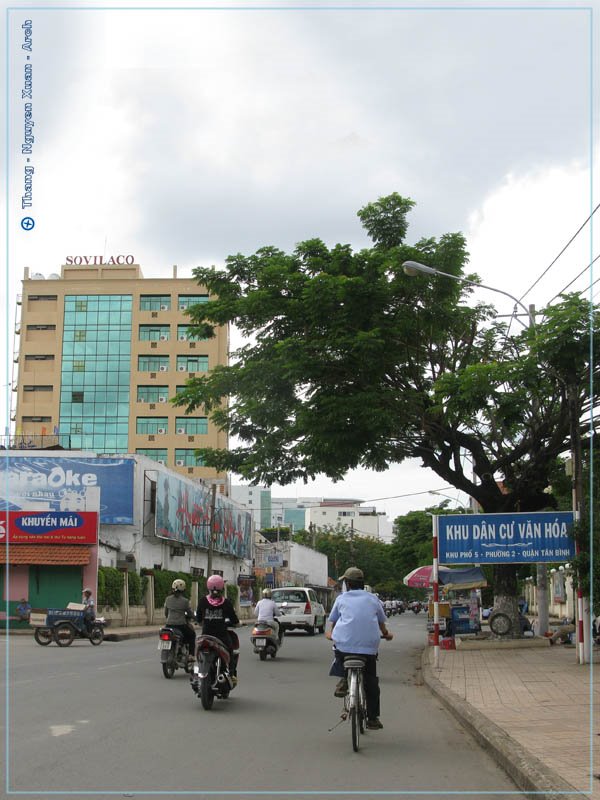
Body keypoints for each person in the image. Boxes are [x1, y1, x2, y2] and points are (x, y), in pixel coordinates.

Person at [326, 566, 393, 731]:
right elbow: (381, 622)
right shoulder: (373, 599)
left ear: (347, 584)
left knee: (338, 651)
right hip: (369, 648)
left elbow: (334, 621)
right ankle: (373, 718)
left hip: (344, 646)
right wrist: (386, 634)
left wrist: (331, 634)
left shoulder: (341, 599)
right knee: (371, 682)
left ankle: (343, 678)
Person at [196, 575, 240, 682]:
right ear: (222, 587)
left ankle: (198, 669)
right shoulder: (226, 602)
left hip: (206, 635)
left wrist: (204, 622)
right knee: (231, 651)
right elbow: (234, 620)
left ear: (208, 587)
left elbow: (198, 619)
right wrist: (237, 624)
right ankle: (231, 673)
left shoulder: (202, 601)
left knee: (198, 651)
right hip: (221, 636)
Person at [164, 579, 196, 660]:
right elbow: (189, 613)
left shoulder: (168, 599)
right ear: (183, 590)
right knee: (192, 635)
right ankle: (191, 655)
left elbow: (166, 613)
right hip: (180, 626)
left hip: (168, 625)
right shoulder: (185, 601)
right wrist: (196, 618)